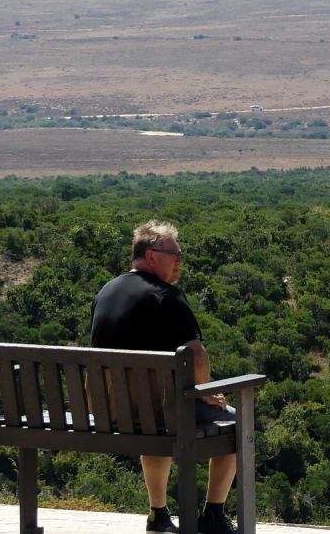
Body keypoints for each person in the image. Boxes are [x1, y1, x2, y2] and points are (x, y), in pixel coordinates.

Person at [90, 220, 238, 534]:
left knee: (155, 414)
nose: (180, 260)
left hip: (107, 411)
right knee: (238, 422)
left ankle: (158, 514)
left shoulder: (107, 290)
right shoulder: (166, 296)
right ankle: (213, 514)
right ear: (152, 256)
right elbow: (196, 356)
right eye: (176, 254)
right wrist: (204, 391)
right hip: (153, 411)